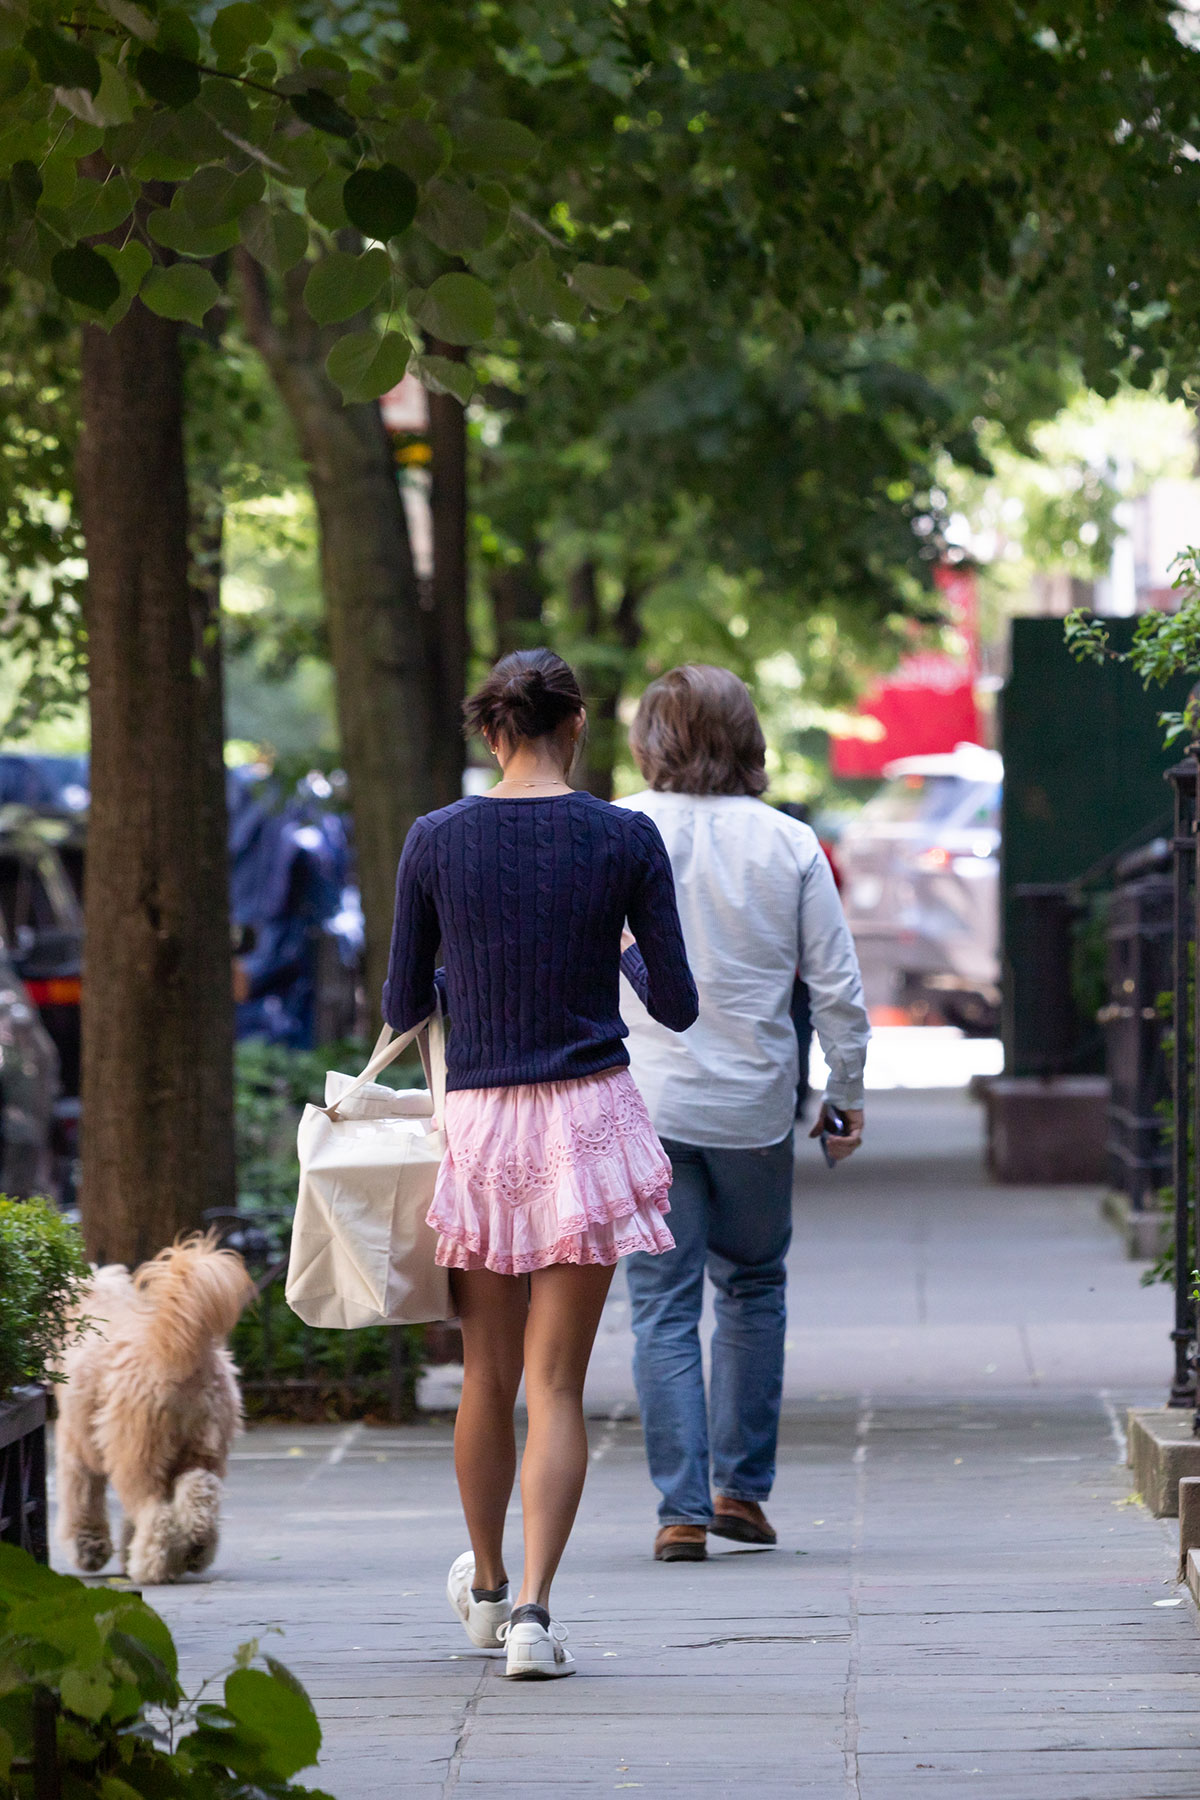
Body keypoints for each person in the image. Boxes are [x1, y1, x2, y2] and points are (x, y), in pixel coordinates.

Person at [382, 649, 698, 1676]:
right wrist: (615, 950)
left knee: (487, 1373)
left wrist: (471, 970)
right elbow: (679, 1004)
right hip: (587, 1120)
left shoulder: (436, 838)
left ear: (491, 732)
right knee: (557, 1384)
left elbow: (402, 1004)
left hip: (482, 1123)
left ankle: (482, 1586)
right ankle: (533, 1615)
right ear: (577, 725)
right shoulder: (624, 837)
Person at [618, 664, 869, 1562]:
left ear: (651, 739)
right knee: (754, 1285)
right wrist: (845, 1095)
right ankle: (741, 1493)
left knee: (661, 1306)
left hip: (644, 1102)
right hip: (754, 1107)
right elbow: (836, 987)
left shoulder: (619, 829)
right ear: (748, 738)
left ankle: (680, 1513)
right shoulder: (790, 843)